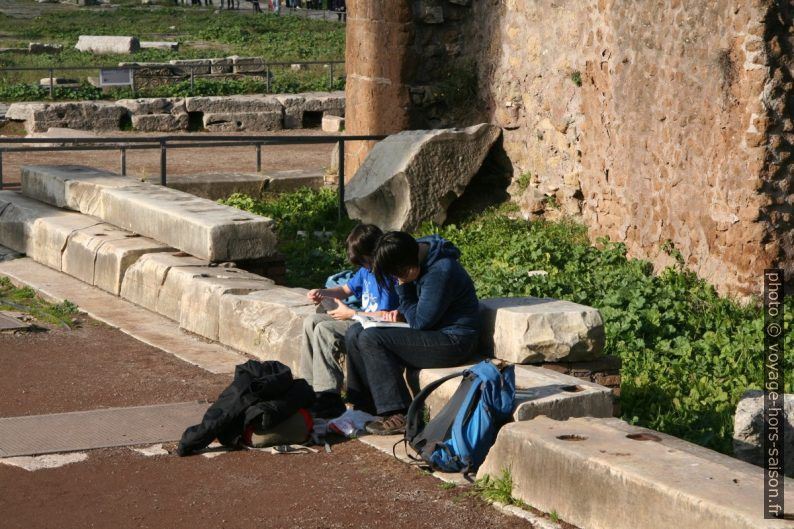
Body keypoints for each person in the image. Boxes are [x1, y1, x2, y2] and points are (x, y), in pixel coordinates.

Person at [344, 231, 480, 435]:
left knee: (373, 338)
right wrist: (400, 314)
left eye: (397, 275)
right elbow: (421, 311)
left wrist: (404, 288)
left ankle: (399, 413)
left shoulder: (440, 271)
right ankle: (366, 406)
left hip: (454, 340)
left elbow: (420, 321)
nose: (397, 279)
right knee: (356, 331)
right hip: (434, 331)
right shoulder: (412, 254)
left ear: (406, 266)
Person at [300, 224, 398, 419]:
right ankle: (309, 388)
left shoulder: (388, 275)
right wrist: (322, 292)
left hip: (370, 326)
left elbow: (388, 316)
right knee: (311, 321)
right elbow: (345, 290)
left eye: (365, 261)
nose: (364, 266)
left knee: (325, 330)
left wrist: (352, 313)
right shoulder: (365, 271)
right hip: (359, 318)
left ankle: (328, 396)